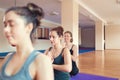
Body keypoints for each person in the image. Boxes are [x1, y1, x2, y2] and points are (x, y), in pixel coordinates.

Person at [0, 3, 54, 80]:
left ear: (28, 27)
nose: (5, 30)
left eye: (11, 24)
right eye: (5, 25)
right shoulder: (7, 58)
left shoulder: (42, 61)